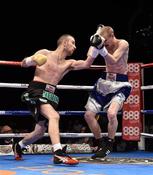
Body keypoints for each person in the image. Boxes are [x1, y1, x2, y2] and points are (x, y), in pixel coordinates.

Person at [12, 34, 99, 165]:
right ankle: (58, 153)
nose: (75, 46)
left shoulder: (69, 63)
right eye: (73, 43)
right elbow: (23, 64)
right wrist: (32, 59)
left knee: (39, 131)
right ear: (64, 43)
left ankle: (18, 145)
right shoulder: (45, 53)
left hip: (51, 95)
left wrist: (96, 46)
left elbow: (87, 63)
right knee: (54, 116)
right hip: (36, 91)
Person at [84, 25, 132, 159]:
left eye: (106, 41)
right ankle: (100, 143)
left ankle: (110, 143)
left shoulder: (123, 43)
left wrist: (101, 47)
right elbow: (89, 58)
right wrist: (95, 38)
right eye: (102, 42)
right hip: (104, 81)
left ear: (112, 35)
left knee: (111, 113)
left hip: (120, 83)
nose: (105, 44)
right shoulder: (102, 44)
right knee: (88, 115)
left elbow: (115, 59)